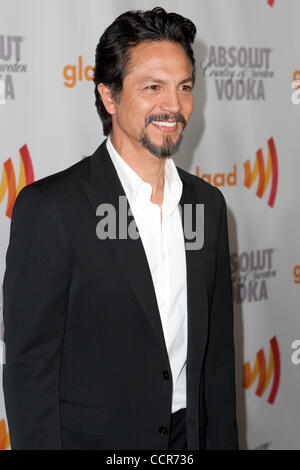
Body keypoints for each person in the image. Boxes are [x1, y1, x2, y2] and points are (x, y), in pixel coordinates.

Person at [2, 7, 238, 450]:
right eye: (152, 87)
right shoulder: (50, 209)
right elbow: (28, 372)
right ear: (109, 96)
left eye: (184, 87)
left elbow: (217, 364)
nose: (174, 105)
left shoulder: (207, 205)